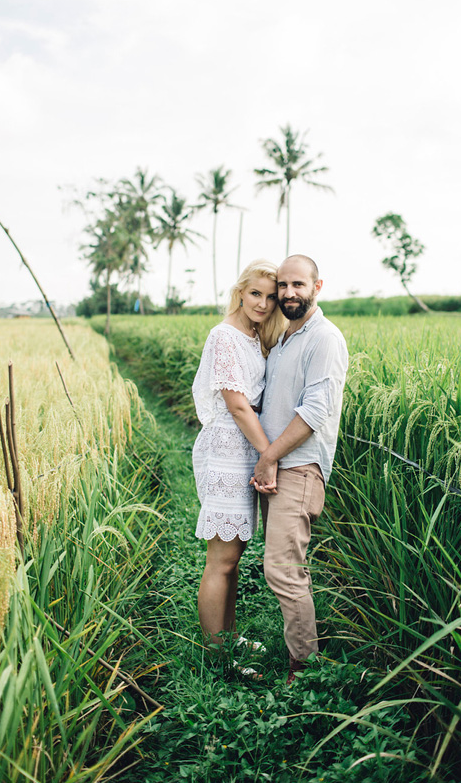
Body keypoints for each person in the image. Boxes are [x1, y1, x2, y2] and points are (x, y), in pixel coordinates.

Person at [251, 254, 349, 684]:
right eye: (282, 287)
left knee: (283, 569)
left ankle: (305, 670)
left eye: (298, 286)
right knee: (283, 566)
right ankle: (300, 654)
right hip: (277, 468)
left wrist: (270, 456)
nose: (289, 294)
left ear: (317, 287)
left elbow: (316, 411)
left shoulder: (324, 339)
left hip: (298, 468)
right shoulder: (287, 337)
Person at [192, 259, 287, 662]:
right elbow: (237, 406)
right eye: (255, 294)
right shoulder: (225, 336)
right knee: (222, 559)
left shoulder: (251, 334)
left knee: (234, 555)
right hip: (229, 449)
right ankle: (220, 655)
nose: (263, 304)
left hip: (245, 449)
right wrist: (270, 454)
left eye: (270, 296)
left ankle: (228, 637)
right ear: (240, 291)